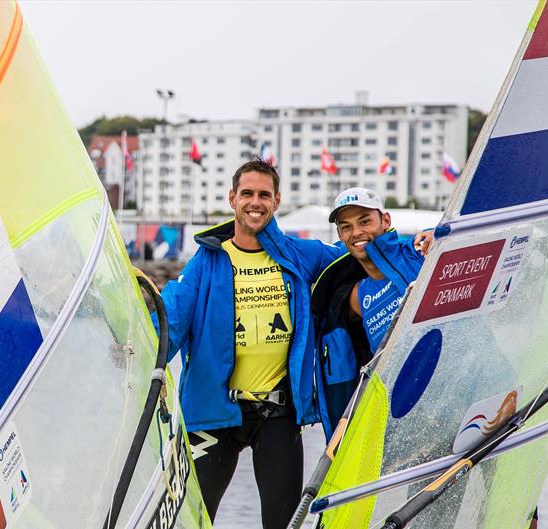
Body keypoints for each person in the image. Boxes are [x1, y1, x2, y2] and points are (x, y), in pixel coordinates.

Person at [157, 159, 344, 528]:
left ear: (276, 201)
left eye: (263, 195)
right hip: (213, 412)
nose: (254, 202)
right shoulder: (207, 262)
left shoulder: (296, 255)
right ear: (232, 198)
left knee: (283, 523)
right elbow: (169, 322)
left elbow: (357, 255)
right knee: (190, 519)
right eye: (247, 193)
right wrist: (126, 353)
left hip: (277, 412)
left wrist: (420, 243)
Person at [311, 187, 432, 439]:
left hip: (451, 392)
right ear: (340, 235)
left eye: (364, 221)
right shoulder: (355, 297)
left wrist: (440, 236)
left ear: (385, 220)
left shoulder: (421, 252)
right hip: (405, 412)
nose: (356, 232)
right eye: (346, 226)